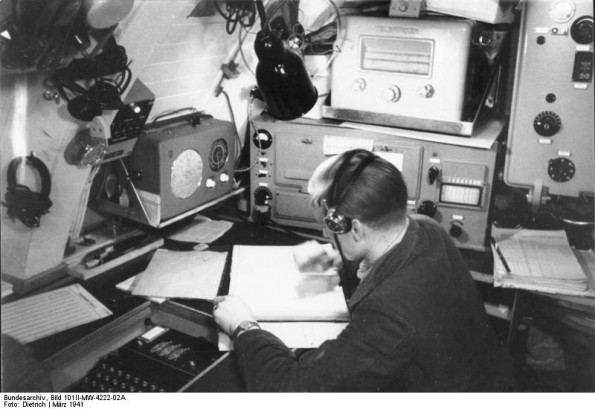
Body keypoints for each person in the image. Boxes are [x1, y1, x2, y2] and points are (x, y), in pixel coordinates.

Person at [213, 149, 516, 392]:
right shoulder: (427, 227)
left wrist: (244, 327)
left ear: (355, 229)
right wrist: (340, 260)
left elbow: (288, 388)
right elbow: (392, 261)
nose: (325, 234)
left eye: (327, 228)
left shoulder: (390, 314)